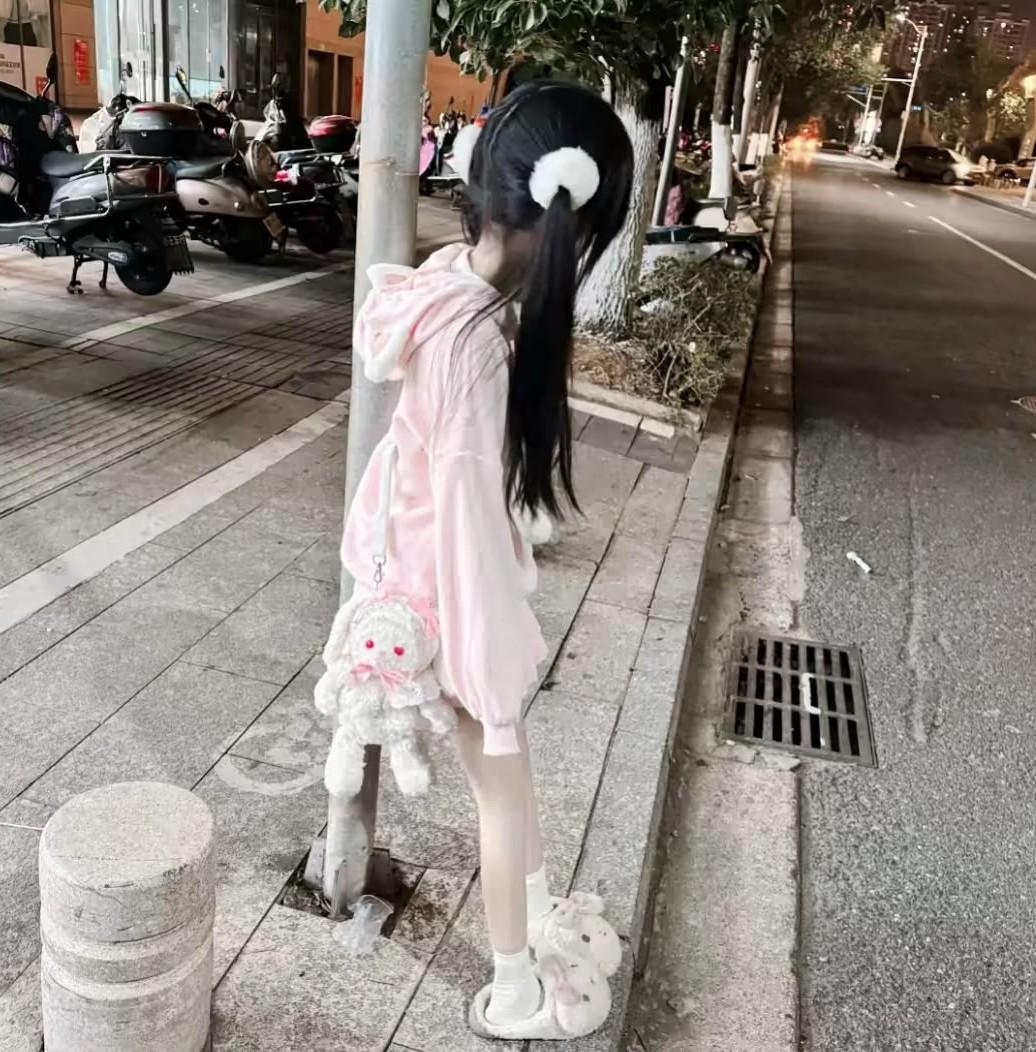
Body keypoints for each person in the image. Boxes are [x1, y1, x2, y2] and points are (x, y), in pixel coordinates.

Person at [337, 81, 633, 1038]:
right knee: (501, 788)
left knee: (507, 788)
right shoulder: (476, 345)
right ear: (573, 227)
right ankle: (515, 990)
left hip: (425, 575)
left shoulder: (451, 285)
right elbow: (466, 524)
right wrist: (490, 665)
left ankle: (537, 922)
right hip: (447, 602)